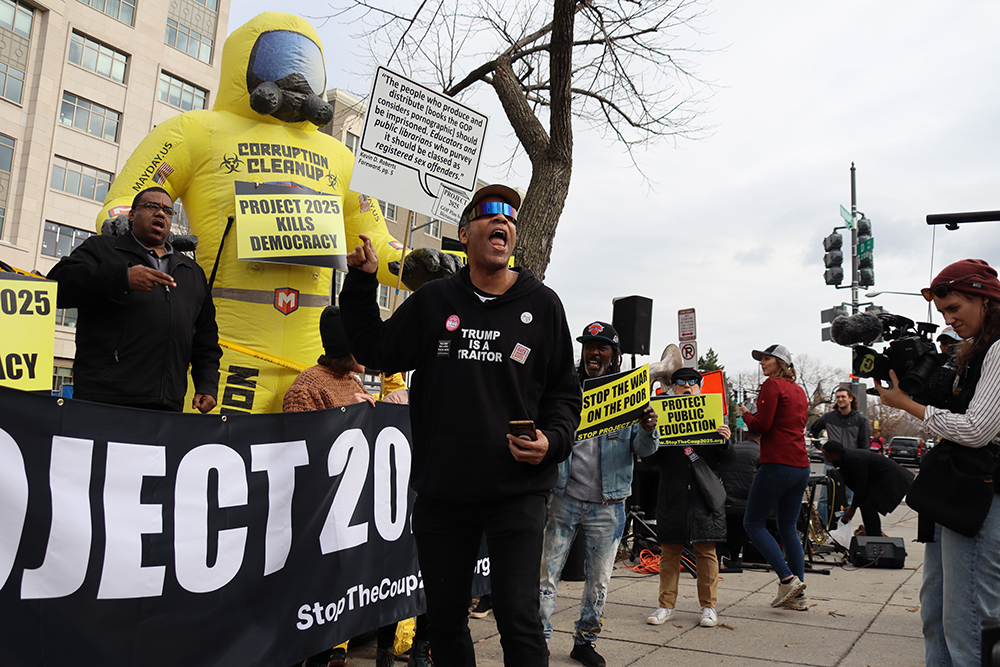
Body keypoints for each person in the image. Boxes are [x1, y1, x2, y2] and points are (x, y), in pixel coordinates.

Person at [339, 184, 582, 667]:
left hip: (516, 493)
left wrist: (552, 441)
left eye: (511, 217)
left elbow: (563, 394)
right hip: (444, 495)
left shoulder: (545, 305)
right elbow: (376, 349)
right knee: (447, 622)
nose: (504, 222)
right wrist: (363, 282)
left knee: (519, 619)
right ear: (466, 233)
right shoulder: (435, 300)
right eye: (491, 214)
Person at [875, 259, 1000, 666]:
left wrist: (908, 404)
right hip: (957, 493)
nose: (948, 320)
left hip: (981, 496)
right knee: (937, 613)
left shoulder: (998, 347)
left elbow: (978, 429)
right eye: (943, 312)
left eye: (954, 309)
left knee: (967, 619)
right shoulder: (976, 349)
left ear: (985, 300)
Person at [539, 321, 658, 667]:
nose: (594, 352)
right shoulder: (566, 388)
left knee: (599, 583)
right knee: (546, 575)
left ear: (615, 355)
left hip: (609, 504)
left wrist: (648, 429)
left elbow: (645, 451)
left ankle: (585, 642)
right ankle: (540, 640)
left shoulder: (632, 397)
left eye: (602, 346)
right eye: (589, 346)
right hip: (564, 497)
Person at [47, 186, 221, 412]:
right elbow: (55, 287)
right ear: (131, 215)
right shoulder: (101, 249)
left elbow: (205, 337)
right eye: (151, 206)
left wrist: (207, 384)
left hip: (166, 406)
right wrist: (122, 277)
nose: (160, 213)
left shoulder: (192, 271)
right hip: (105, 400)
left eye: (168, 211)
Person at [646, 367, 730, 629]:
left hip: (703, 498)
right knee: (670, 553)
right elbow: (650, 461)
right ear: (673, 388)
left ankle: (709, 607)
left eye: (693, 382)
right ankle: (665, 606)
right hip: (673, 496)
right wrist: (651, 434)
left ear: (699, 387)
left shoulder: (713, 417)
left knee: (706, 552)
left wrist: (725, 442)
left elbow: (726, 462)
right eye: (680, 382)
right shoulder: (663, 418)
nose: (687, 386)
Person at [739, 344, 810, 611]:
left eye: (767, 359)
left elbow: (762, 426)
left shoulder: (772, 385)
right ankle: (799, 595)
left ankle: (787, 579)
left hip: (777, 463)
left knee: (753, 523)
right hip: (800, 465)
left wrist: (745, 412)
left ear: (781, 363)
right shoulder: (799, 390)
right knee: (789, 528)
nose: (762, 363)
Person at [820, 440, 914, 538]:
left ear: (834, 454)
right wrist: (853, 507)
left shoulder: (853, 459)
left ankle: (875, 537)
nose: (826, 458)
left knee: (868, 506)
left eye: (826, 455)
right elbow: (859, 488)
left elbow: (860, 486)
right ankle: (873, 536)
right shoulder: (845, 460)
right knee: (866, 505)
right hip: (882, 479)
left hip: (894, 478)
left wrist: (852, 509)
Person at [810, 386, 869, 522]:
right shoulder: (828, 417)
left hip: (851, 466)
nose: (840, 399)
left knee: (847, 499)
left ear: (850, 398)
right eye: (838, 397)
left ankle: (842, 530)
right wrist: (821, 447)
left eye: (843, 397)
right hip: (830, 464)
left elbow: (865, 446)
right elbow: (814, 431)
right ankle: (823, 529)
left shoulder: (860, 419)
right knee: (825, 498)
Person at [717, 430, 761, 570]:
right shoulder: (762, 452)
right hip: (750, 503)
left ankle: (730, 556)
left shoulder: (732, 449)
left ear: (746, 436)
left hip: (727, 501)